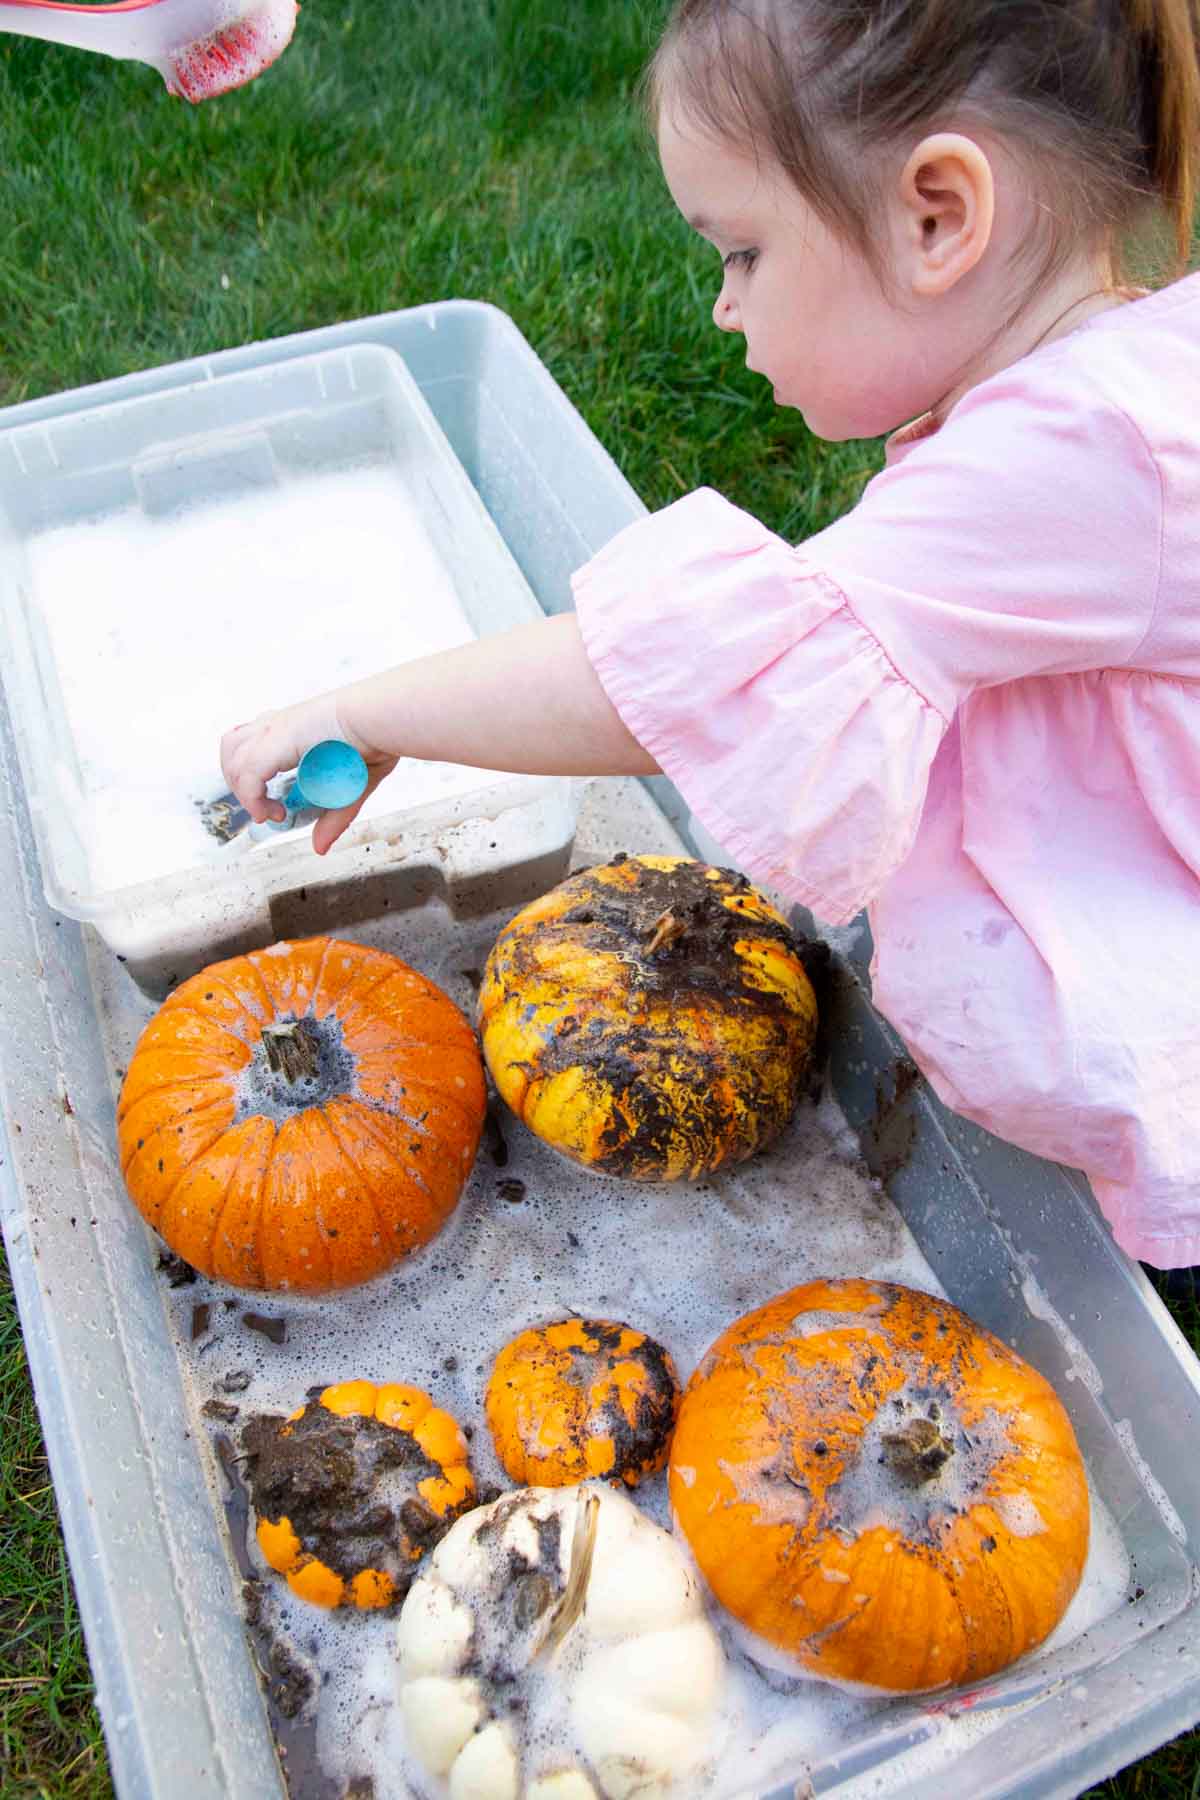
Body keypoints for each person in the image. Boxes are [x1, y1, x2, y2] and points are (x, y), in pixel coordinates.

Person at [221, 0, 1200, 1273]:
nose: (725, 310)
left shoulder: (1076, 460)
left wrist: (367, 713)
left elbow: (673, 694)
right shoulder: (1099, 400)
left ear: (938, 217)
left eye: (741, 253)